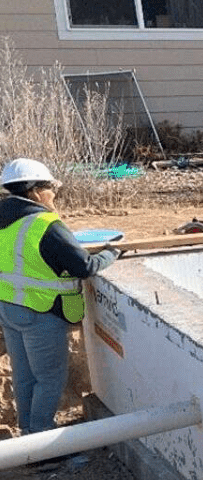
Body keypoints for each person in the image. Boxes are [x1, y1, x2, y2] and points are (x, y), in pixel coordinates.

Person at [0, 158, 118, 436]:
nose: (54, 194)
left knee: (25, 376)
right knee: (50, 379)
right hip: (41, 311)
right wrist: (111, 253)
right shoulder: (44, 223)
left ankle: (28, 435)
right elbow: (84, 266)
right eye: (51, 187)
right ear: (35, 191)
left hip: (9, 308)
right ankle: (42, 440)